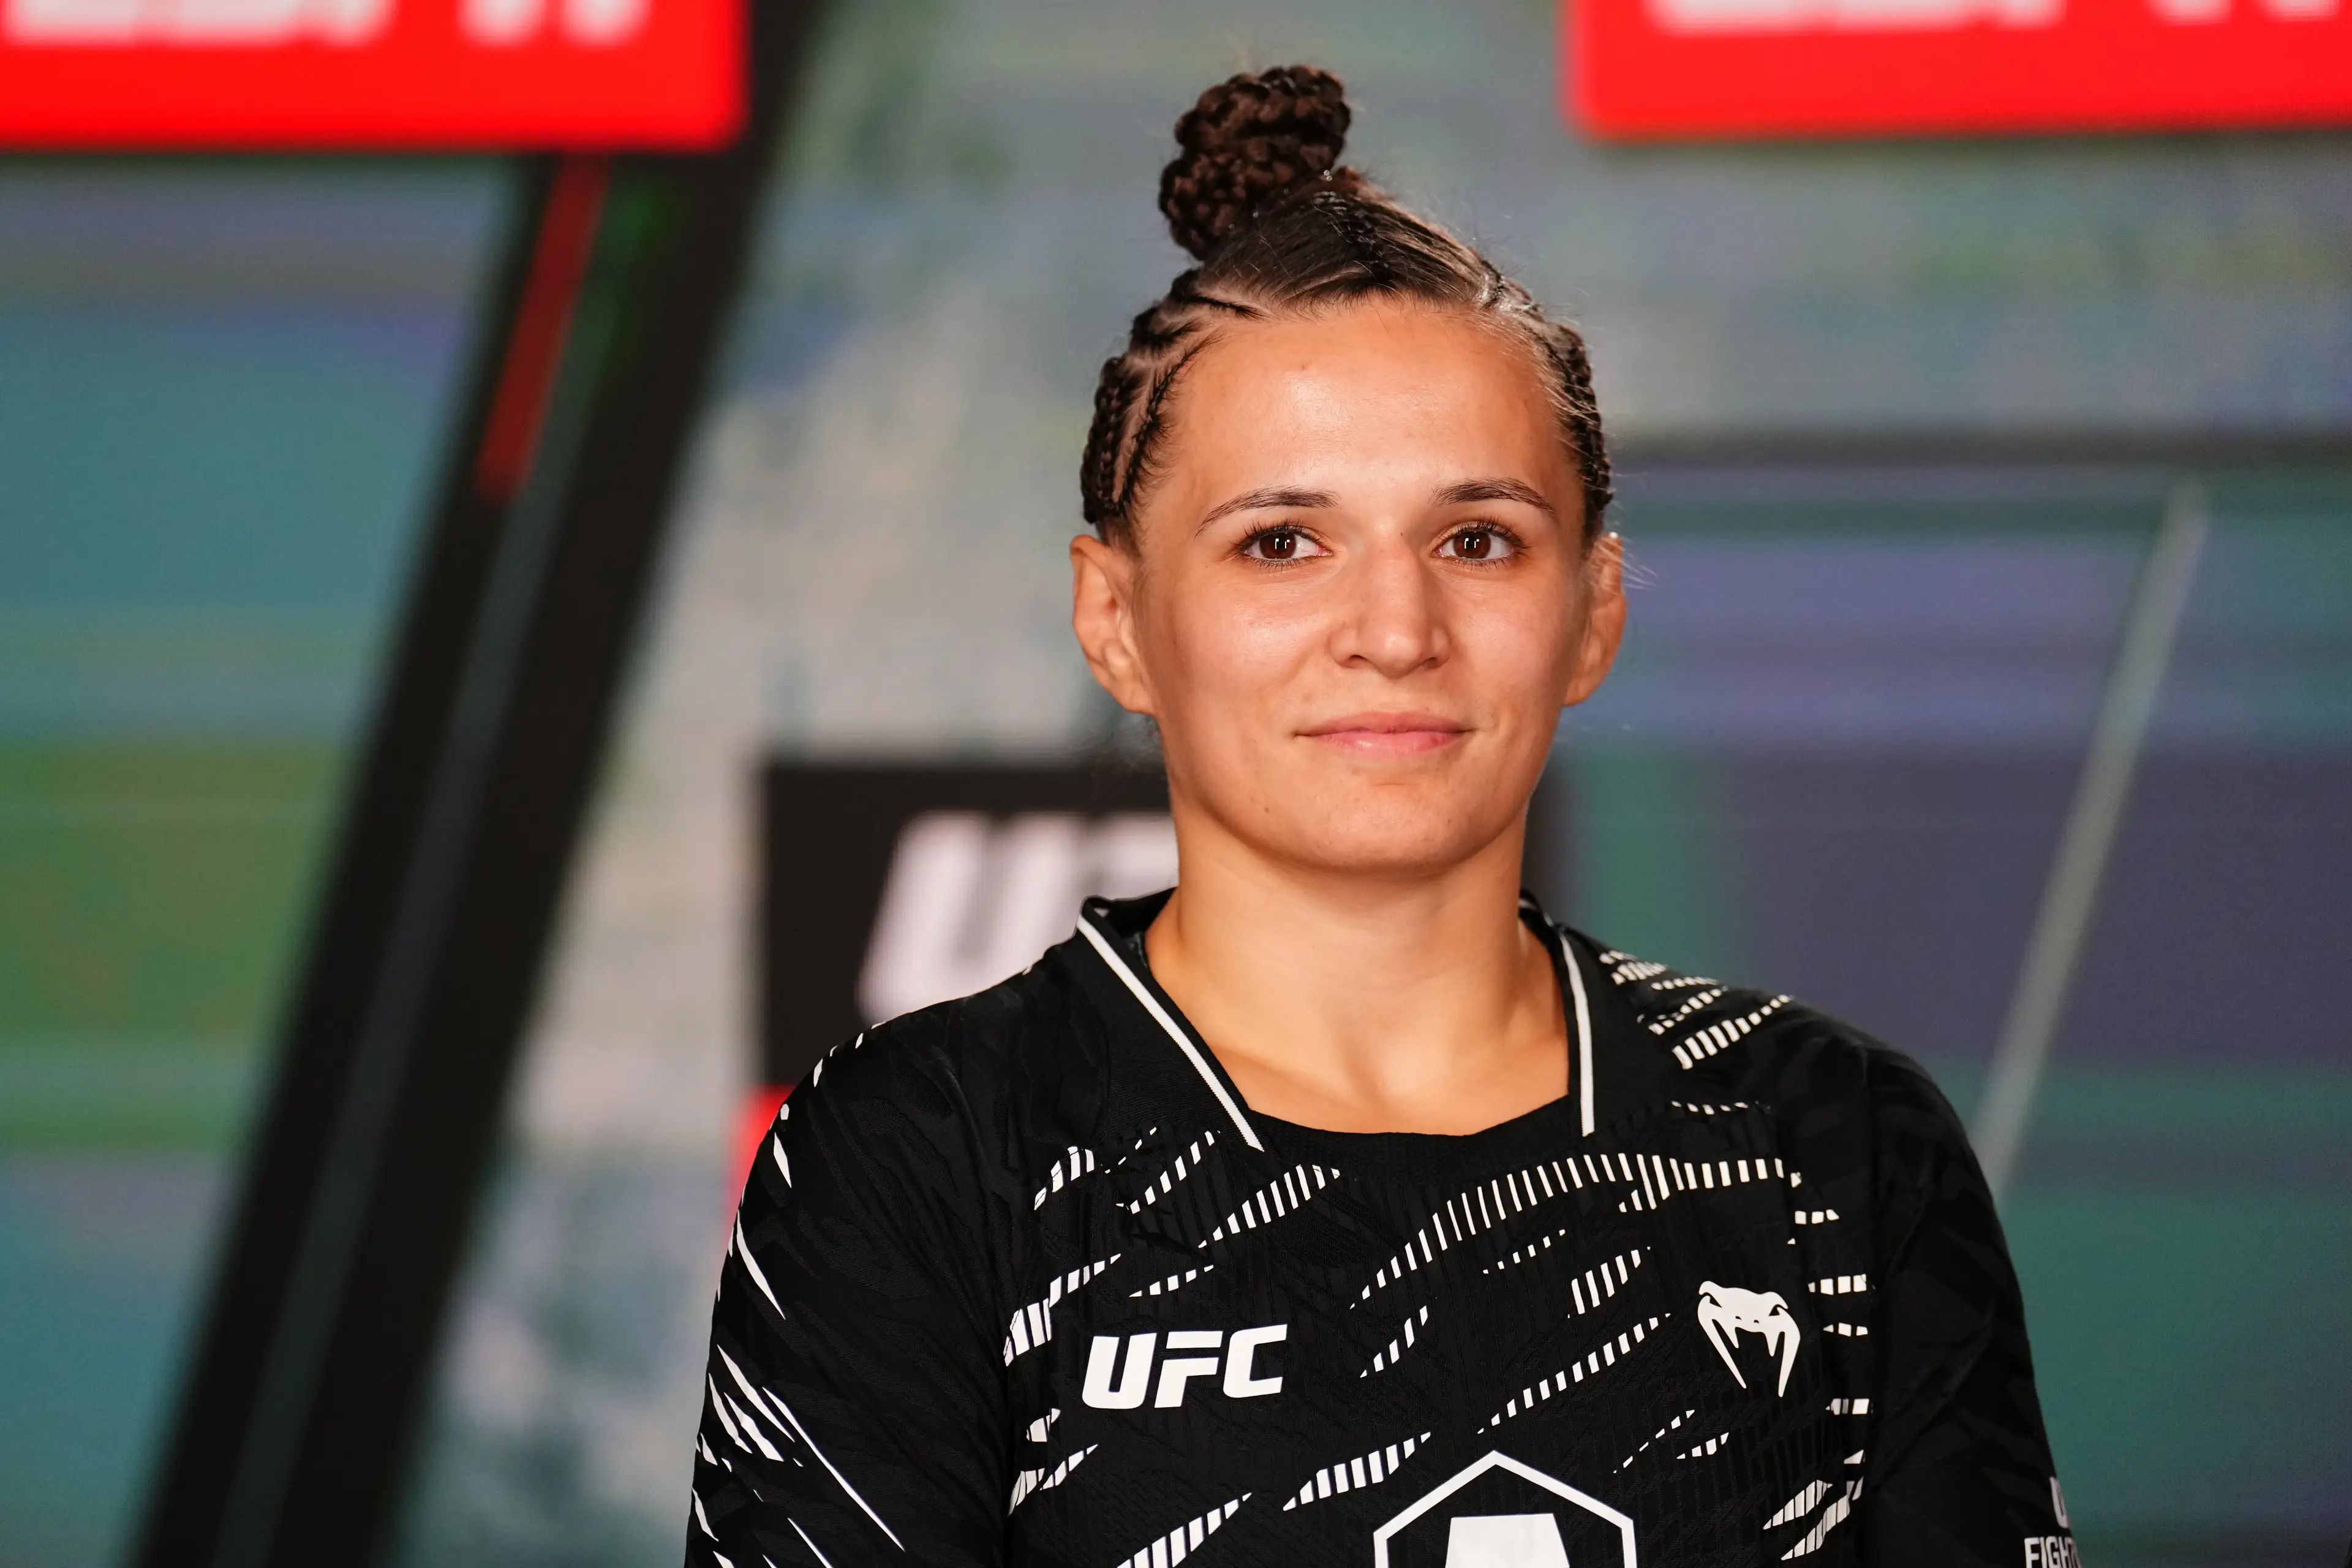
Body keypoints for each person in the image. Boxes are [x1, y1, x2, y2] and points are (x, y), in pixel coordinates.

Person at [687, 65, 2079, 1568]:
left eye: (1478, 538)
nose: (1395, 626)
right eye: (1282, 541)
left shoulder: (1835, 1145)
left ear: (1593, 612)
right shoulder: (924, 1157)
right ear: (1117, 618)